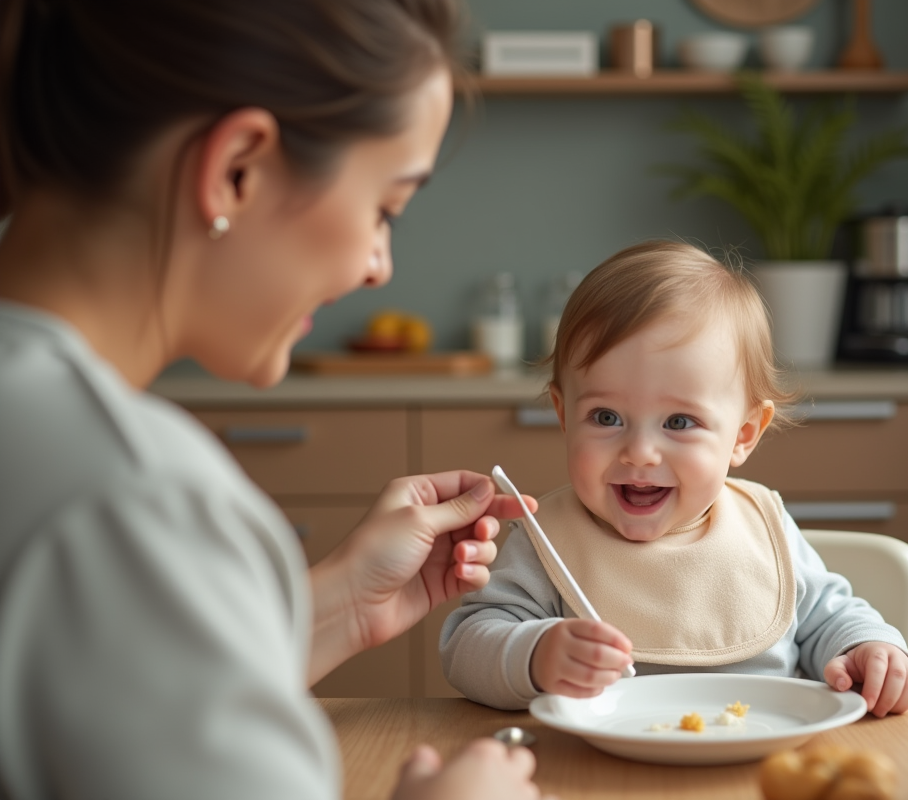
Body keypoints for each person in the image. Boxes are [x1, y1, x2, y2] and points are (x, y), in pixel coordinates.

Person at [0, 1, 546, 798]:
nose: (377, 266)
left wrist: (334, 609)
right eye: (384, 209)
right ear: (237, 170)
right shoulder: (136, 497)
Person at [440, 240, 908, 715]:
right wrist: (534, 654)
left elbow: (831, 617)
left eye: (678, 422)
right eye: (606, 418)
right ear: (564, 416)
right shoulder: (545, 539)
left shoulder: (764, 524)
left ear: (744, 434)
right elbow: (467, 646)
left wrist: (867, 646)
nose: (641, 454)